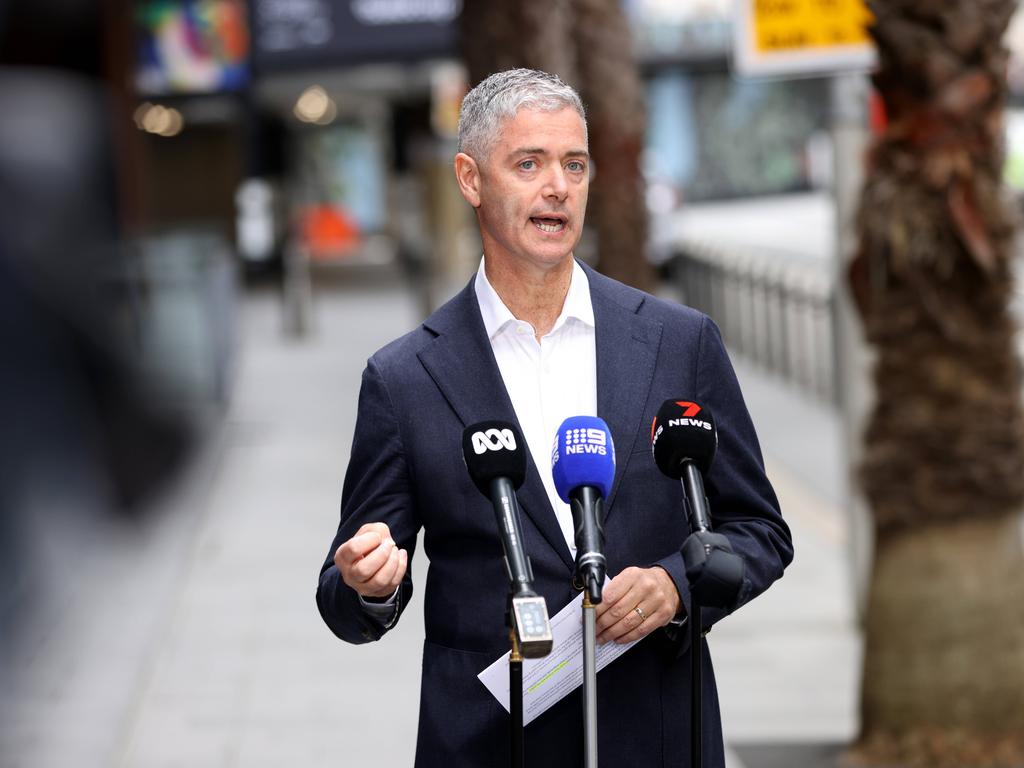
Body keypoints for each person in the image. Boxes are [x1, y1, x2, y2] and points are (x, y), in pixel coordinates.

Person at [316, 68, 793, 767]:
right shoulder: (405, 379)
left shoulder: (678, 342)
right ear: (471, 179)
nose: (558, 187)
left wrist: (676, 586)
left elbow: (760, 531)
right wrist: (371, 583)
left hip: (657, 734)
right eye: (528, 163)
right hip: (489, 744)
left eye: (574, 164)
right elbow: (343, 595)